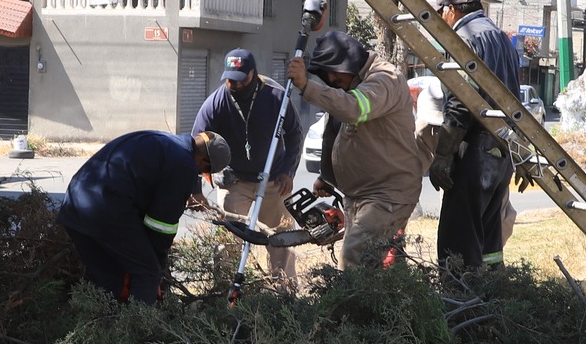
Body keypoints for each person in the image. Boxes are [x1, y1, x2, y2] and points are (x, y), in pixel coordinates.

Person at [287, 29, 423, 268]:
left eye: (337, 81)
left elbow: (354, 110)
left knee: (354, 257)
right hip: (363, 193)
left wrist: (308, 87)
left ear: (347, 66)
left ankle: (353, 305)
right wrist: (327, 177)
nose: (336, 87)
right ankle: (385, 303)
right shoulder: (356, 82)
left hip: (389, 192)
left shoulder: (384, 79)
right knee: (364, 262)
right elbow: (340, 131)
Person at [58, 129, 230, 303]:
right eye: (203, 171)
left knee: (112, 280)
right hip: (106, 209)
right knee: (147, 274)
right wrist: (159, 269)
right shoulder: (184, 164)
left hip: (74, 204)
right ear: (204, 161)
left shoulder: (162, 141)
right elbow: (161, 227)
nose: (198, 174)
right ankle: (138, 328)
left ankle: (105, 325)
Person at [428, 0, 521, 269]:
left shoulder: (464, 39)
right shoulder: (500, 37)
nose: (440, 19)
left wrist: (443, 156)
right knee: (488, 239)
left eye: (441, 12)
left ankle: (459, 308)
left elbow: (460, 103)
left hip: (475, 155)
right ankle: (493, 302)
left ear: (452, 10)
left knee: (457, 243)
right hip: (501, 153)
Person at [192, 48, 304, 286]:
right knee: (229, 237)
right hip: (235, 180)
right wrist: (195, 188)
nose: (235, 83)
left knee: (281, 237)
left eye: (241, 78)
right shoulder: (216, 103)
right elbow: (195, 146)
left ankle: (283, 290)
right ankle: (224, 288)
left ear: (253, 73)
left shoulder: (275, 97)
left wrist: (288, 171)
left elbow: (294, 134)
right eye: (230, 79)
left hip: (273, 179)